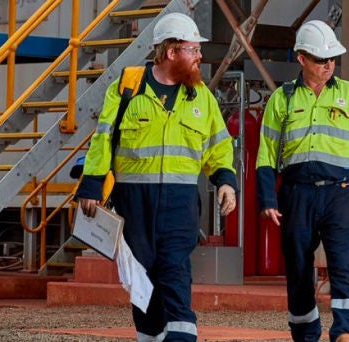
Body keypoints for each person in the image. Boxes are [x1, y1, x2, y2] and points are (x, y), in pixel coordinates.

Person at [76, 12, 238, 342]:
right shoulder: (126, 90)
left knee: (175, 274)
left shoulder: (202, 97)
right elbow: (103, 140)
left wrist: (225, 181)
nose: (199, 57)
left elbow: (218, 146)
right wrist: (91, 185)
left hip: (180, 205)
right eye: (193, 50)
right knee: (143, 281)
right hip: (134, 203)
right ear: (170, 52)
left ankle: (182, 335)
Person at [256, 20, 349, 342]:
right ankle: (305, 333)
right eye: (319, 59)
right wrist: (268, 201)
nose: (328, 65)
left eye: (332, 59)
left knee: (342, 263)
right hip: (296, 195)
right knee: (298, 269)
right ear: (301, 59)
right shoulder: (281, 100)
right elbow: (266, 156)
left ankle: (344, 332)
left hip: (339, 193)